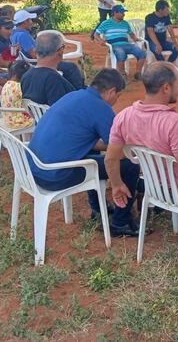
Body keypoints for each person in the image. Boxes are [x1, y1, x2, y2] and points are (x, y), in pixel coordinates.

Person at [104, 62, 178, 242]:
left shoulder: (124, 116)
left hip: (152, 188)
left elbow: (110, 159)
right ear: (166, 88)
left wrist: (117, 185)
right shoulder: (174, 123)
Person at [28, 69, 142, 236]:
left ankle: (97, 209)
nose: (116, 101)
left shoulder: (73, 96)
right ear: (111, 92)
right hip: (56, 176)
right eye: (118, 96)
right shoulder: (101, 108)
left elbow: (86, 141)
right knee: (130, 165)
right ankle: (121, 223)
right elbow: (115, 151)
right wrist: (132, 156)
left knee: (91, 156)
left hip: (34, 169)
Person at [20, 31, 78, 106]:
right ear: (60, 50)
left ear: (36, 51)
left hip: (37, 117)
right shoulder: (53, 80)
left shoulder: (26, 76)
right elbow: (61, 110)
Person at [96, 4, 146, 81]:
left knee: (142, 53)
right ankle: (122, 74)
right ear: (115, 13)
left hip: (127, 44)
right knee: (121, 53)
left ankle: (138, 73)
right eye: (122, 12)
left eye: (124, 12)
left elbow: (131, 33)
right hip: (114, 46)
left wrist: (135, 38)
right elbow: (96, 34)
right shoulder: (106, 23)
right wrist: (101, 41)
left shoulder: (125, 23)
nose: (124, 14)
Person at [0, 60, 35, 131]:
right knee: (40, 119)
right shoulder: (19, 87)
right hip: (19, 121)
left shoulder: (7, 84)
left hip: (8, 119)